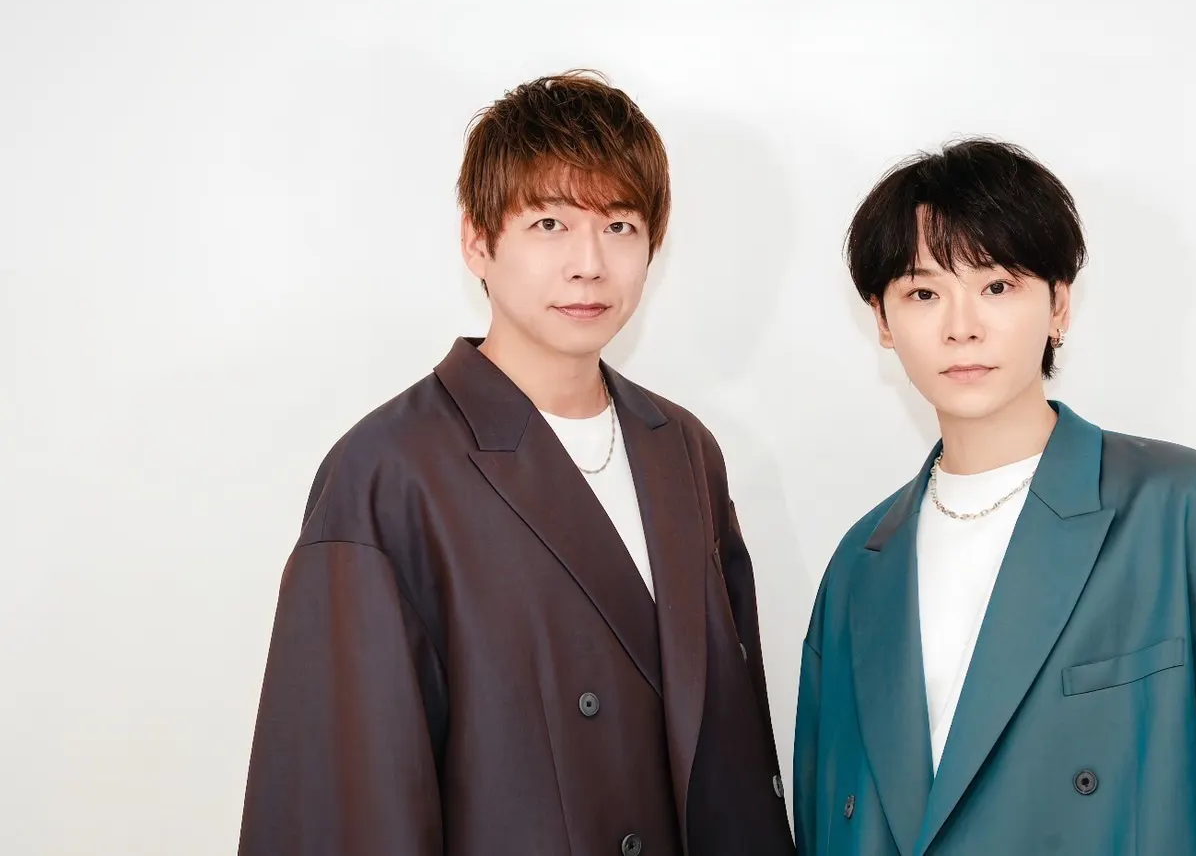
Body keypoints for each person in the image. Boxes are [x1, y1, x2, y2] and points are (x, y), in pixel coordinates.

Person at [240, 71, 795, 856]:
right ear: (477, 241)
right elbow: (347, 799)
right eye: (549, 224)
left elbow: (734, 748)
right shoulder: (387, 474)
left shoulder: (683, 449)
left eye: (620, 225)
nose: (589, 264)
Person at [793, 139, 1196, 855]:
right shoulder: (861, 566)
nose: (961, 326)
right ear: (882, 320)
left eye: (997, 286)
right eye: (923, 293)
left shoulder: (1181, 512)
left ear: (1059, 305)